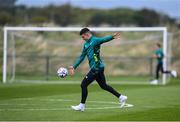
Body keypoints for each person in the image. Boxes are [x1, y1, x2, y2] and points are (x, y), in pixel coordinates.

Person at [68, 28, 127, 111]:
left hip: (96, 68)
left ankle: (82, 106)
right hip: (99, 67)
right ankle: (121, 97)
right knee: (103, 86)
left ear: (86, 34)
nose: (82, 38)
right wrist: (74, 66)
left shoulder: (95, 40)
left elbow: (103, 40)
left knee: (83, 84)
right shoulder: (85, 45)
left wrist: (112, 37)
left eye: (83, 37)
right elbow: (82, 57)